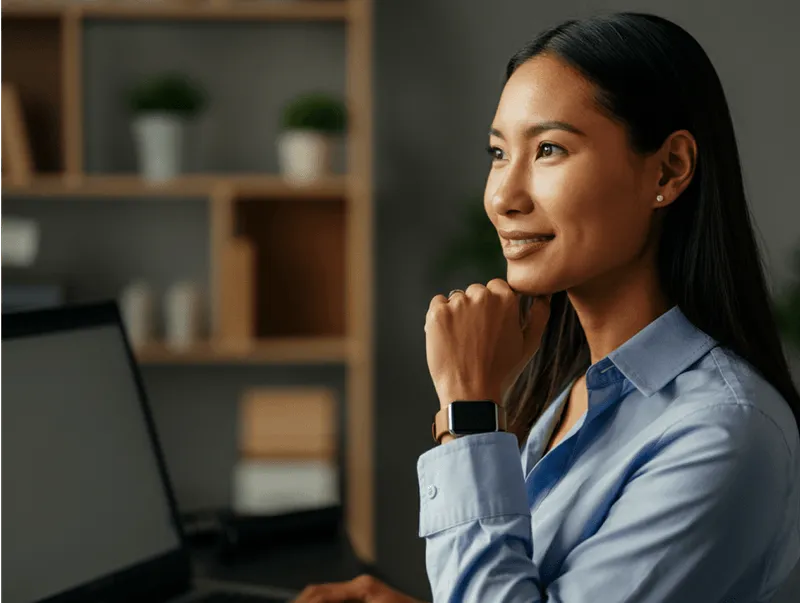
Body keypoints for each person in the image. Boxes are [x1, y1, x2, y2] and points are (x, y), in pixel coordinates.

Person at [292, 11, 800, 603]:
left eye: (550, 149)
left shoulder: (723, 432)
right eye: (499, 152)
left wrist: (468, 411)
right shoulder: (575, 390)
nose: (504, 196)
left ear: (670, 169)